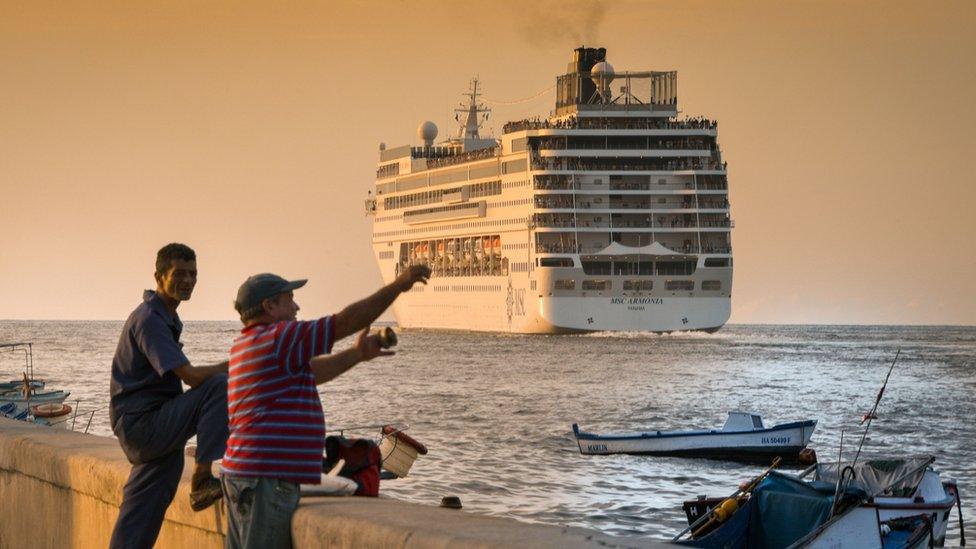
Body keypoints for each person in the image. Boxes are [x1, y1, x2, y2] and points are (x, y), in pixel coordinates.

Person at [221, 265, 430, 549]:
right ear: (269, 306)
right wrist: (398, 286)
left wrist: (357, 355)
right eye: (289, 299)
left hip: (244, 473)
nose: (297, 307)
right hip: (266, 478)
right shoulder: (280, 336)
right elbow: (344, 322)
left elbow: (312, 372)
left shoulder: (247, 344)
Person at [109, 243, 230, 549]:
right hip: (143, 425)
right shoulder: (150, 319)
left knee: (141, 514)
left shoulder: (164, 316)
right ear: (159, 276)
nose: (188, 281)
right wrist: (239, 364)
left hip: (147, 423)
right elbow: (189, 377)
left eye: (193, 274)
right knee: (219, 385)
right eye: (179, 273)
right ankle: (202, 479)